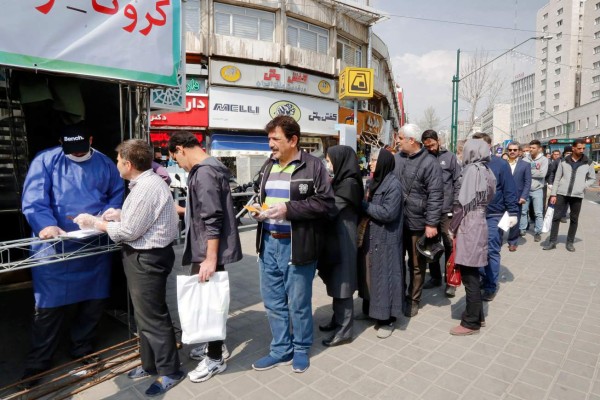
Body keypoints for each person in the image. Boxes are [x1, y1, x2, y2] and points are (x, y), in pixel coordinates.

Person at [74, 139, 184, 397]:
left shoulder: (146, 187)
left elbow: (129, 232)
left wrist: (95, 223)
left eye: (118, 161)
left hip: (146, 258)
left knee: (152, 317)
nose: (116, 165)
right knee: (145, 316)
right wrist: (120, 214)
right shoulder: (147, 183)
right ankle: (149, 364)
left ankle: (170, 370)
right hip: (147, 256)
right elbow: (143, 219)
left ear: (129, 164)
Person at [20, 124, 124, 384]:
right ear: (60, 142)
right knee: (48, 308)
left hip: (92, 243)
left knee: (93, 303)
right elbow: (34, 199)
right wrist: (44, 224)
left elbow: (116, 195)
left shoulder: (105, 163)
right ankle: (38, 362)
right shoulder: (46, 160)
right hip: (54, 246)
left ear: (90, 139)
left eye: (82, 149)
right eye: (72, 151)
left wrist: (109, 214)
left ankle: (82, 349)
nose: (77, 155)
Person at [250, 116, 334, 373]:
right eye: (269, 139)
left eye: (275, 138)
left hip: (297, 245)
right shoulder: (267, 166)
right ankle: (280, 349)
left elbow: (326, 204)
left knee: (298, 302)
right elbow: (259, 193)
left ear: (293, 140)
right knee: (273, 302)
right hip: (267, 244)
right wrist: (257, 209)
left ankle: (300, 348)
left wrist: (288, 209)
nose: (270, 144)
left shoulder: (313, 166)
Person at [166, 131, 242, 382]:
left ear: (180, 149)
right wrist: (180, 209)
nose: (179, 164)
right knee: (209, 300)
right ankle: (212, 347)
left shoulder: (204, 172)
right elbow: (203, 209)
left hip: (207, 250)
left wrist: (209, 258)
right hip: (206, 248)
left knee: (210, 303)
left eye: (176, 159)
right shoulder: (213, 167)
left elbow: (212, 217)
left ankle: (215, 358)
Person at [394, 124, 443, 317]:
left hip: (418, 223)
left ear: (411, 140)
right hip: (396, 221)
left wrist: (431, 223)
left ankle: (413, 299)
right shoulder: (396, 159)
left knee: (416, 265)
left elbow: (436, 195)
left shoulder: (430, 162)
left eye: (400, 138)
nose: (397, 141)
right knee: (397, 262)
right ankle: (396, 296)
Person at [449, 139, 496, 335]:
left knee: (470, 275)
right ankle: (478, 316)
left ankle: (471, 323)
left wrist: (452, 227)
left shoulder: (472, 170)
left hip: (469, 223)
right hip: (481, 221)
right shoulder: (487, 170)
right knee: (474, 272)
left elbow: (462, 204)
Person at [318, 145, 363, 347]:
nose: (328, 164)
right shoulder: (341, 181)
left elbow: (330, 209)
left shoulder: (349, 184)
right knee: (336, 281)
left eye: (330, 160)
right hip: (336, 237)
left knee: (343, 283)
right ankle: (337, 320)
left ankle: (345, 331)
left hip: (345, 239)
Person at [358, 149, 404, 338]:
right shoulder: (372, 182)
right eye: (371, 160)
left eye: (375, 160)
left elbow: (388, 213)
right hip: (371, 236)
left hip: (386, 239)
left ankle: (387, 319)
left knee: (386, 277)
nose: (371, 163)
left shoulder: (393, 185)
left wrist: (365, 206)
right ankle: (371, 311)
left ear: (384, 162)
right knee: (371, 275)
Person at [472, 133, 518, 302]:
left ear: (489, 146)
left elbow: (509, 189)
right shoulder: (472, 163)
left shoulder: (500, 165)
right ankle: (483, 278)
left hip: (494, 214)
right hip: (475, 214)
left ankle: (490, 285)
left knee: (491, 249)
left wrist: (513, 212)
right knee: (477, 249)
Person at [421, 130, 461, 298]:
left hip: (447, 210)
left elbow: (458, 181)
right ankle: (436, 277)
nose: (429, 148)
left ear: (438, 141)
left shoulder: (450, 157)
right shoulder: (422, 157)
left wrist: (457, 205)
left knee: (449, 244)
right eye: (426, 146)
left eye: (432, 144)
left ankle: (451, 281)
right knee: (431, 245)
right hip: (429, 210)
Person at [544, 139, 596, 252]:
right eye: (579, 148)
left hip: (577, 195)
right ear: (573, 148)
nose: (582, 150)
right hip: (562, 193)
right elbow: (557, 178)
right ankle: (552, 241)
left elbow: (592, 178)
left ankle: (570, 242)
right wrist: (553, 194)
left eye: (583, 148)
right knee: (556, 217)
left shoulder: (588, 162)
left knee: (574, 219)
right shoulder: (563, 161)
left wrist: (583, 185)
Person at [519, 140, 548, 242]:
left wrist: (528, 172)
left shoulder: (544, 160)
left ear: (539, 149)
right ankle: (522, 229)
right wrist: (534, 172)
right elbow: (521, 173)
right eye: (530, 148)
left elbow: (542, 174)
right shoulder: (525, 159)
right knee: (523, 211)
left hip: (537, 189)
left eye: (533, 148)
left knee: (538, 212)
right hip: (525, 190)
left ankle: (537, 232)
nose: (531, 150)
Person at [506, 142, 531, 252]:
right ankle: (497, 239)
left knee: (515, 221)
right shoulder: (503, 163)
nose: (512, 152)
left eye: (515, 150)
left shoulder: (525, 165)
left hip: (517, 197)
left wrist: (524, 196)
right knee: (500, 219)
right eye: (510, 150)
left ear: (519, 151)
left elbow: (527, 182)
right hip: (502, 197)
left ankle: (512, 242)